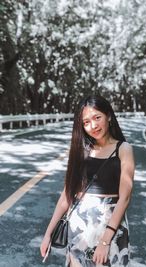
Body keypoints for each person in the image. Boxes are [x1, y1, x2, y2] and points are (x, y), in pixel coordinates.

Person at [40, 95, 135, 266]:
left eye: (97, 118)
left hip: (110, 226)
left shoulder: (123, 149)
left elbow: (124, 198)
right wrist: (48, 233)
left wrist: (105, 241)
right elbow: (66, 196)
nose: (93, 126)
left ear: (108, 116)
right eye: (86, 122)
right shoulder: (81, 150)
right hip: (79, 228)